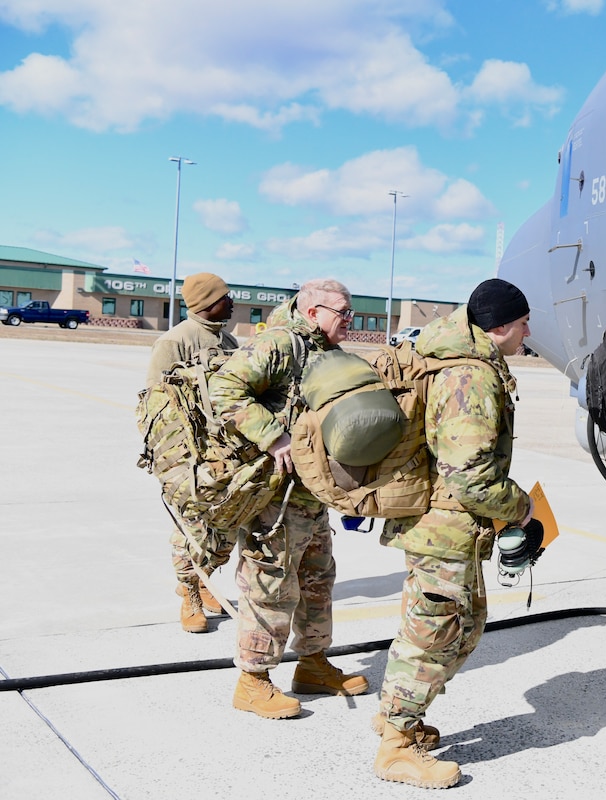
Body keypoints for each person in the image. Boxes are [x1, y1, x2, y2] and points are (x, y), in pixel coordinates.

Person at [373, 278, 534, 789]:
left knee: (456, 626)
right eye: (524, 321)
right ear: (502, 327)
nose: (530, 330)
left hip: (439, 526)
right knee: (434, 633)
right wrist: (521, 507)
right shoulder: (470, 375)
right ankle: (395, 747)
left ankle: (399, 716)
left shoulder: (457, 360)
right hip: (444, 527)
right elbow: (468, 476)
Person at [208, 278, 369, 720]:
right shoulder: (280, 344)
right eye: (343, 312)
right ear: (313, 311)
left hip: (311, 495)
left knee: (318, 578)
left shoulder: (328, 353)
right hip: (274, 496)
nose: (349, 320)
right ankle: (253, 680)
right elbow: (223, 390)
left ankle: (313, 664)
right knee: (270, 584)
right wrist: (273, 438)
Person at [145, 272, 238, 634]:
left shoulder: (227, 340)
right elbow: (154, 404)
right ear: (206, 302)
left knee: (225, 526)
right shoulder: (173, 342)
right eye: (225, 297)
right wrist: (174, 463)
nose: (232, 302)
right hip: (188, 456)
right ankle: (189, 593)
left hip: (226, 455)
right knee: (191, 527)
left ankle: (203, 579)